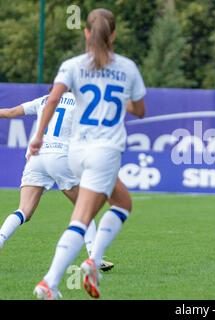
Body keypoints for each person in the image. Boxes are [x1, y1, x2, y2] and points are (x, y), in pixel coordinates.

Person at [29, 8, 146, 300]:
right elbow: (140, 110)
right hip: (103, 152)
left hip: (75, 153)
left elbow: (53, 99)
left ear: (86, 33)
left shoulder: (72, 65)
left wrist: (38, 136)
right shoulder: (128, 68)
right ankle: (51, 282)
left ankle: (91, 261)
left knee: (122, 202)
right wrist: (120, 99)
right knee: (82, 219)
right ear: (114, 34)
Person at [0, 92, 133, 272]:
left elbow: (10, 112)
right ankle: (95, 257)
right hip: (60, 157)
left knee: (24, 211)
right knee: (85, 207)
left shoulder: (45, 99)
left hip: (36, 157)